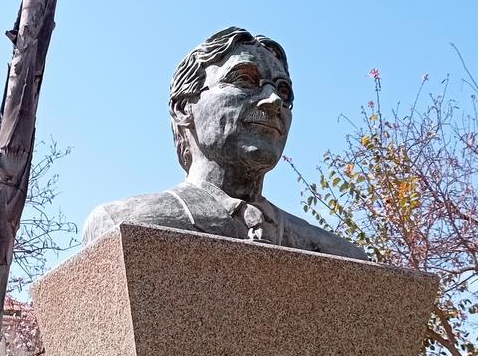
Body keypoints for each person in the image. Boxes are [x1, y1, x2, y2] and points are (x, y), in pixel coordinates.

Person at [82, 26, 366, 259]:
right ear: (184, 108)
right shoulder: (122, 222)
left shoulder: (340, 256)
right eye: (244, 80)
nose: (275, 101)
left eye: (283, 91)